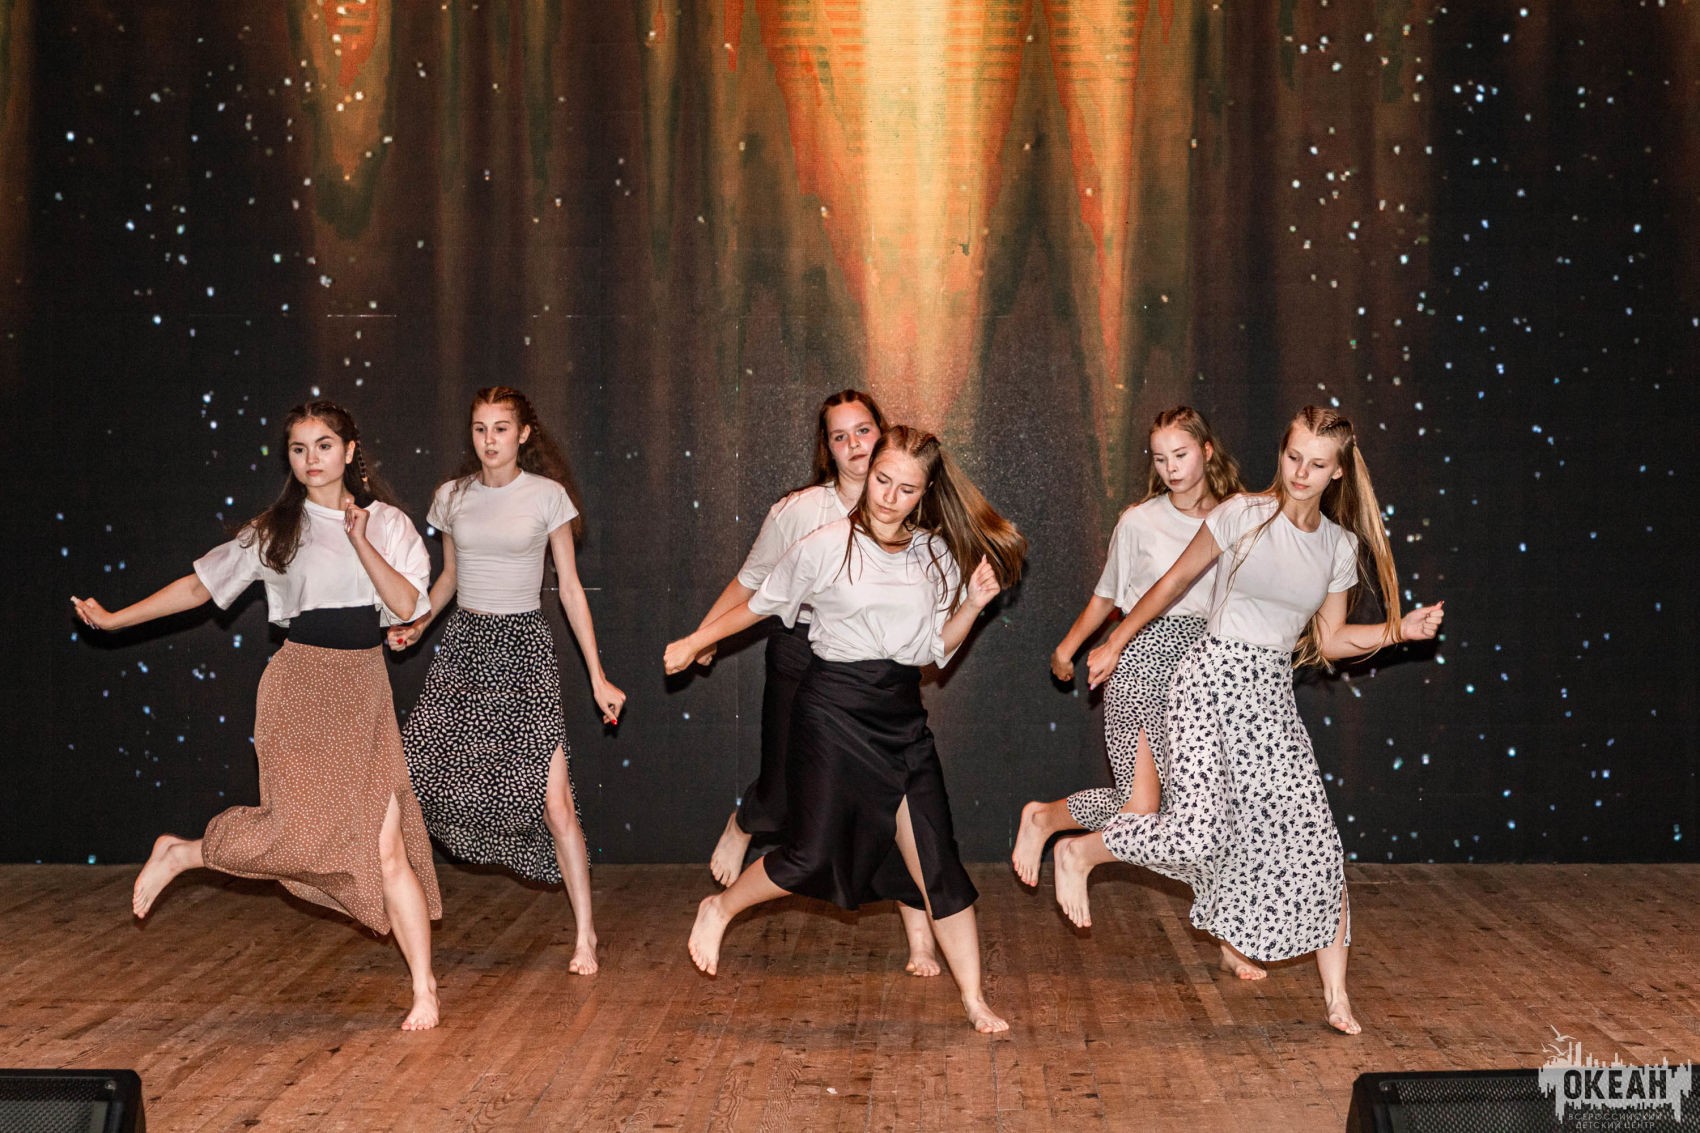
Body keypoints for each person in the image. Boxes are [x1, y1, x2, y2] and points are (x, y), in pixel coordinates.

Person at [1051, 406, 1445, 1035]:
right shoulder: (1242, 514)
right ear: (1281, 453)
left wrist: (1400, 630)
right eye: (1293, 457)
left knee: (1317, 843)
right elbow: (1171, 584)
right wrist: (1116, 640)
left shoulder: (1339, 547)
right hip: (1207, 684)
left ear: (1338, 472)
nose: (1301, 473)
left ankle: (1337, 998)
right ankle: (1081, 851)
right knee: (1195, 833)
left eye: (1317, 464)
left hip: (1270, 699)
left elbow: (1332, 640)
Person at [71, 401, 445, 1031]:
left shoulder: (387, 523)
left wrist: (359, 539)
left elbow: (409, 605)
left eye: (324, 445)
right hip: (298, 687)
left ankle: (424, 988)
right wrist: (114, 619)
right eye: (299, 449)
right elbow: (199, 587)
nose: (311, 459)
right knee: (294, 834)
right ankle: (184, 854)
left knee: (386, 847)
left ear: (350, 451)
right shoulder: (276, 529)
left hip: (364, 689)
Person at [663, 426, 1027, 1033]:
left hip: (901, 716)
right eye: (882, 480)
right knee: (810, 855)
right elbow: (759, 604)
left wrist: (972, 604)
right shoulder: (825, 544)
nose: (889, 497)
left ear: (925, 492)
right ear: (869, 471)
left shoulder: (934, 555)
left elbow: (934, 652)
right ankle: (719, 908)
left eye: (906, 489)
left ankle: (973, 997)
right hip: (832, 710)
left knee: (937, 862)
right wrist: (696, 640)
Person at [684, 390, 941, 976]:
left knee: (894, 799)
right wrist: (703, 637)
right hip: (803, 654)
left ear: (883, 434)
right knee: (784, 792)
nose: (854, 445)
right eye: (839, 436)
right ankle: (745, 822)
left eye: (863, 430)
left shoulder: (915, 508)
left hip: (878, 670)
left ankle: (921, 937)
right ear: (827, 448)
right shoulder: (799, 512)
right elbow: (751, 583)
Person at [387, 386, 624, 977]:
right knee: (407, 778)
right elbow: (449, 577)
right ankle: (393, 904)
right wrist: (420, 624)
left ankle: (586, 934)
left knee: (556, 805)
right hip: (465, 648)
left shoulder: (547, 496)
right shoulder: (452, 496)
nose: (489, 440)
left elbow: (570, 589)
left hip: (523, 651)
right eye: (480, 428)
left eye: (500, 428)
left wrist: (597, 677)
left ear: (523, 434)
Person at [1012, 409, 1247, 972]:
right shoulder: (1140, 521)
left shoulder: (1237, 518)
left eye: (1181, 455)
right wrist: (1068, 648)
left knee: (1208, 810)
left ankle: (1231, 937)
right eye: (1160, 458)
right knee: (1141, 807)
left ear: (1207, 451)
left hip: (1203, 670)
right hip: (1142, 657)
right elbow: (1107, 595)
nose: (1171, 468)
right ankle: (1044, 822)